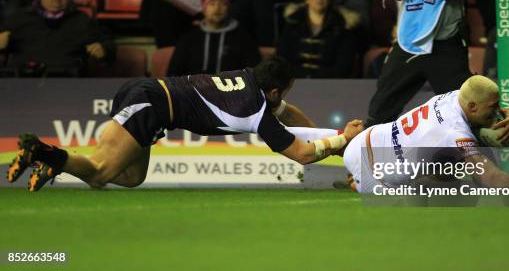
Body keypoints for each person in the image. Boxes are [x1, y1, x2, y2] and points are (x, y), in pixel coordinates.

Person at [6, 56, 364, 192]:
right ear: (272, 89)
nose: (283, 97)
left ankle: (52, 161)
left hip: (149, 94)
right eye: (283, 90)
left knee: (130, 178)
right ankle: (45, 153)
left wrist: (322, 132)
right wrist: (341, 140)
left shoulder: (248, 79)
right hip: (152, 104)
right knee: (101, 173)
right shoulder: (255, 111)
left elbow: (286, 113)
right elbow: (301, 155)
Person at [343, 75, 509, 193]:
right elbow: (491, 177)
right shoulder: (454, 133)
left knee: (445, 159)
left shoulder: (455, 96)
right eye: (493, 107)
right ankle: (358, 182)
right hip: (377, 177)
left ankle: (355, 178)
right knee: (456, 191)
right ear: (472, 107)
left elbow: (480, 103)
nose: (496, 112)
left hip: (363, 141)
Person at [365, 0, 472, 127]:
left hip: (446, 42)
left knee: (466, 108)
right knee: (380, 111)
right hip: (408, 42)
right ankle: (373, 146)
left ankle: (476, 147)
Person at [0, 0, 115, 77]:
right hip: (23, 83)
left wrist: (103, 49)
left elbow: (108, 44)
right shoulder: (19, 18)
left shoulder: (82, 20)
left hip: (70, 83)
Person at [167, 0, 260, 76]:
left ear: (228, 8)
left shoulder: (243, 38)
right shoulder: (189, 37)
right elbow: (173, 73)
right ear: (204, 9)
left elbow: (253, 72)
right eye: (212, 4)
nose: (217, 8)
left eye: (222, 4)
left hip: (231, 90)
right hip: (193, 90)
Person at [276, 0, 359, 78]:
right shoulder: (292, 24)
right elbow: (282, 59)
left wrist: (316, 76)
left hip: (331, 83)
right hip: (294, 81)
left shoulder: (343, 26)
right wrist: (303, 75)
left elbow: (343, 66)